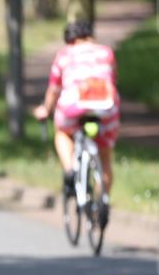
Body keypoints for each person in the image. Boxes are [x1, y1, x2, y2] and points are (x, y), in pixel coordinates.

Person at [34, 20, 120, 202]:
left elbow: (54, 90)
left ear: (69, 39)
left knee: (62, 132)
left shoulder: (64, 55)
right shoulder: (107, 53)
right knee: (105, 159)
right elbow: (112, 79)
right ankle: (102, 202)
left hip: (74, 107)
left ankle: (70, 169)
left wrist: (45, 110)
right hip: (106, 107)